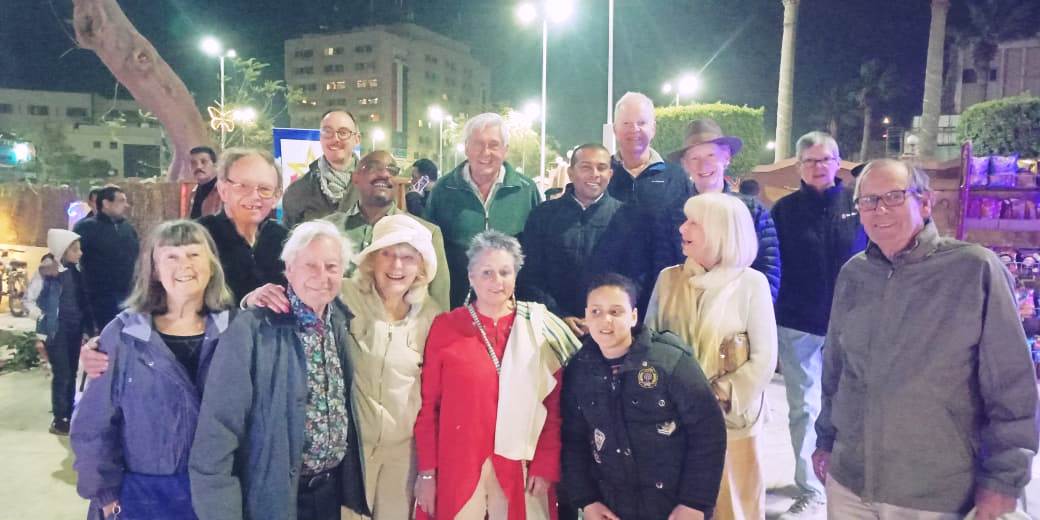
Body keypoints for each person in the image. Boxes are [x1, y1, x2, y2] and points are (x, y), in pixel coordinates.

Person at [813, 160, 1039, 520]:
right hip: (850, 482)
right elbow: (836, 369)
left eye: (894, 196)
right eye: (868, 200)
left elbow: (1012, 386)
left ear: (925, 202)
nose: (879, 209)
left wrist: (1003, 479)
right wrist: (826, 439)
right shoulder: (855, 274)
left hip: (934, 492)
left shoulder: (974, 269)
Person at [241, 215, 443, 520]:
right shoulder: (342, 294)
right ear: (372, 259)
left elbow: (434, 396)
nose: (396, 266)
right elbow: (297, 297)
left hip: (403, 455)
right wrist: (252, 298)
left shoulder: (432, 316)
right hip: (352, 453)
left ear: (421, 268)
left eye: (408, 257)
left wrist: (428, 469)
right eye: (387, 254)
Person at [190, 221, 368, 520]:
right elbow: (218, 433)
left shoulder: (339, 321)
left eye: (331, 267)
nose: (322, 276)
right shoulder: (252, 330)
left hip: (329, 494)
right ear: (289, 268)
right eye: (310, 265)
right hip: (274, 497)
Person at [70, 220, 234, 520]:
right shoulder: (125, 335)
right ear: (154, 269)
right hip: (142, 497)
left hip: (216, 497)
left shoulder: (235, 333)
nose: (184, 264)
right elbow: (93, 425)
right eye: (171, 256)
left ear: (212, 265)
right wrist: (105, 495)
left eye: (194, 254)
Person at [413, 230, 580, 520]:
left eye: (505, 272)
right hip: (458, 462)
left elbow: (552, 407)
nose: (496, 281)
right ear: (471, 276)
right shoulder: (446, 326)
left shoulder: (538, 327)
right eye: (486, 272)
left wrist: (545, 464)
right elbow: (428, 407)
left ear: (516, 275)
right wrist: (427, 472)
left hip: (520, 465)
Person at [646, 193, 778, 520]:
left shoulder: (751, 284)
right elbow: (648, 345)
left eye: (694, 223)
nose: (682, 228)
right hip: (674, 422)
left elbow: (764, 359)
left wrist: (715, 396)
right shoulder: (668, 278)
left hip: (731, 423)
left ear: (721, 232)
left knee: (734, 509)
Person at [561, 273, 727, 520]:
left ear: (634, 316)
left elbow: (708, 431)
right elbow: (573, 439)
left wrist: (695, 503)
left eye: (616, 311)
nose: (605, 320)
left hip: (672, 507)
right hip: (612, 506)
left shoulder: (670, 361)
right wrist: (587, 500)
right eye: (596, 312)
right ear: (586, 316)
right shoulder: (579, 369)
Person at [770, 131, 866, 518]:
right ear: (798, 166)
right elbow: (774, 266)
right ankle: (810, 487)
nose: (818, 167)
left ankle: (851, 483)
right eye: (809, 161)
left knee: (855, 405)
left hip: (854, 325)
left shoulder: (858, 205)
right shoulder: (784, 211)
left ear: (838, 162)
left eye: (825, 159)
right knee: (804, 408)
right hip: (799, 324)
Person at [424, 113, 542, 308]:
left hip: (512, 304)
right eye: (478, 144)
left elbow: (538, 249)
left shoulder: (526, 190)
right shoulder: (444, 189)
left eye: (494, 145)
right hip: (456, 301)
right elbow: (429, 247)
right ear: (466, 148)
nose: (485, 152)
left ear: (505, 150)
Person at [664, 118, 780, 300]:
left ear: (726, 158)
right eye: (695, 158)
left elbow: (769, 270)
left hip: (739, 307)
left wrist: (751, 309)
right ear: (685, 165)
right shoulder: (673, 213)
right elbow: (667, 268)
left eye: (711, 155)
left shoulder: (752, 211)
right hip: (688, 307)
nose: (703, 165)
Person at [323, 150, 451, 310]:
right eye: (372, 167)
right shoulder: (326, 231)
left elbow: (440, 306)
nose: (384, 174)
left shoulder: (426, 233)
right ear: (355, 178)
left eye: (392, 170)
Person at [518, 143, 624, 336]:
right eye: (586, 167)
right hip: (551, 328)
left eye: (601, 168)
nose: (594, 174)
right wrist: (558, 316)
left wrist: (602, 316)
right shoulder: (543, 215)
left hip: (609, 329)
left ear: (610, 174)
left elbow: (631, 277)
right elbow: (530, 274)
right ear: (571, 173)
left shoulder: (625, 217)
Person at [197, 148, 289, 303]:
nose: (254, 196)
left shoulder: (287, 240)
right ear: (222, 190)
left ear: (276, 196)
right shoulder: (197, 239)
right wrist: (246, 303)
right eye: (243, 186)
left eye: (264, 189)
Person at [34, 230, 94, 435]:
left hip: (74, 329)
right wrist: (42, 328)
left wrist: (88, 328)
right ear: (63, 250)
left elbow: (83, 302)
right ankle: (60, 419)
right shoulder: (50, 271)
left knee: (71, 372)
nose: (80, 253)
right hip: (57, 330)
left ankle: (68, 412)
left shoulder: (76, 272)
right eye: (75, 250)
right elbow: (34, 298)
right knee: (63, 373)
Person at [74, 185, 139, 331]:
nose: (126, 205)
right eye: (121, 201)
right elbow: (72, 257)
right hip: (99, 297)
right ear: (106, 203)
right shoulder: (86, 228)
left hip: (127, 295)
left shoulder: (127, 228)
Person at [282, 109, 362, 228]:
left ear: (357, 139)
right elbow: (290, 237)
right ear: (320, 137)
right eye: (327, 132)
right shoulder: (298, 191)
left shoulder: (374, 186)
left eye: (343, 132)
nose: (335, 139)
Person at [189, 145, 222, 219]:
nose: (198, 166)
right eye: (193, 163)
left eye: (203, 162)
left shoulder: (224, 191)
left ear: (215, 165)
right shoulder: (194, 192)